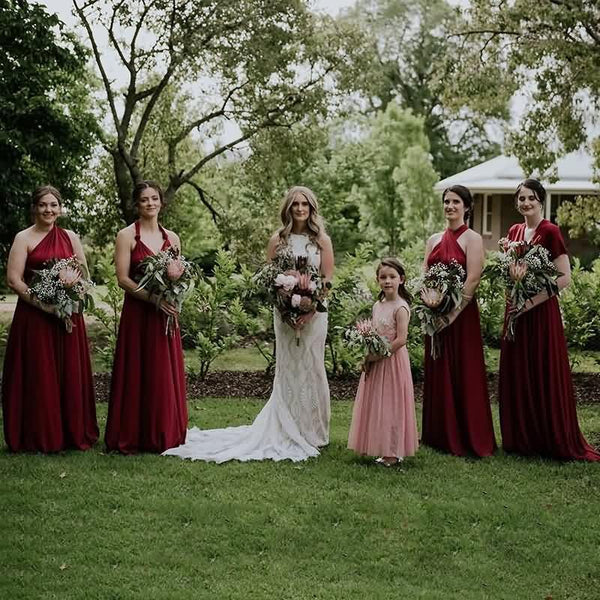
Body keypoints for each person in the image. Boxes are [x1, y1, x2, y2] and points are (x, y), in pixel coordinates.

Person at [163, 185, 334, 463]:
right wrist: (288, 307)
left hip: (315, 316)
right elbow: (270, 279)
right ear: (288, 209)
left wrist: (310, 308)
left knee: (313, 367)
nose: (300, 209)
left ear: (312, 208)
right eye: (295, 205)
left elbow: (326, 279)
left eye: (305, 205)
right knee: (289, 367)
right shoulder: (278, 239)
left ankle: (314, 431)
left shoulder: (322, 240)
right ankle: (288, 426)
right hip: (285, 314)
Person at [499, 179, 600, 461]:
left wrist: (531, 302)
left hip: (540, 312)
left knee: (541, 370)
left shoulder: (550, 231)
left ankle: (547, 437)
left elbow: (564, 277)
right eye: (521, 199)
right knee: (519, 371)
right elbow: (511, 270)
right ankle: (522, 438)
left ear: (541, 200)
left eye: (531, 198)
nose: (526, 203)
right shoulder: (515, 231)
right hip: (516, 309)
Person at [2, 185, 98, 452]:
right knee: (39, 375)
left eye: (54, 205)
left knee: (69, 373)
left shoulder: (70, 236)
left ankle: (71, 433)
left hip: (68, 318)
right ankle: (40, 435)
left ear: (60, 208)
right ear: (34, 208)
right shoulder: (24, 238)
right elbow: (14, 280)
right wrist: (45, 306)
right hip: (35, 318)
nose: (49, 210)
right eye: (43, 205)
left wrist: (71, 300)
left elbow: (83, 275)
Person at [105, 181, 188, 454]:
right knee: (138, 370)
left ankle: (164, 431)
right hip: (139, 314)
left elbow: (178, 272)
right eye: (144, 200)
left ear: (161, 203)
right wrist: (154, 299)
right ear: (137, 205)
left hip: (165, 315)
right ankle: (133, 433)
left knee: (162, 372)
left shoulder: (172, 238)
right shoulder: (126, 235)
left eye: (154, 199)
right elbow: (123, 279)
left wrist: (173, 296)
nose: (150, 203)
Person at [421, 185, 496, 457]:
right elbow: (425, 277)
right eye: (446, 201)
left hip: (461, 318)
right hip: (435, 317)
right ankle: (438, 434)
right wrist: (430, 306)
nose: (450, 206)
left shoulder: (472, 239)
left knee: (464, 372)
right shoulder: (433, 240)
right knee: (439, 370)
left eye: (455, 202)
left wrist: (451, 315)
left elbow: (472, 279)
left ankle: (467, 436)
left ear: (466, 207)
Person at [347, 258, 418, 466]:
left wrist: (381, 355)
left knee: (392, 404)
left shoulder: (401, 307)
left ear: (401, 280)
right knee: (377, 403)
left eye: (392, 277)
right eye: (383, 277)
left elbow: (401, 339)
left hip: (393, 362)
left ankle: (393, 452)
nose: (388, 281)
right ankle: (379, 445)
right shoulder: (378, 305)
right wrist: (368, 356)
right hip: (376, 360)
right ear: (378, 280)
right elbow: (374, 333)